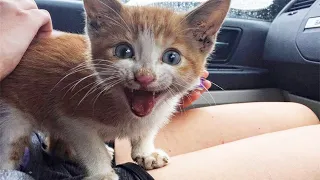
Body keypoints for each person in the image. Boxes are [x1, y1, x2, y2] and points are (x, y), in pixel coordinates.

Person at [1, 0, 319, 180]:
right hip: (24, 156)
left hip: (45, 146)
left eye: (170, 57)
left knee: (299, 114)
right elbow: (72, 117)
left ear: (206, 40)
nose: (145, 75)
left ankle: (72, 149)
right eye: (126, 52)